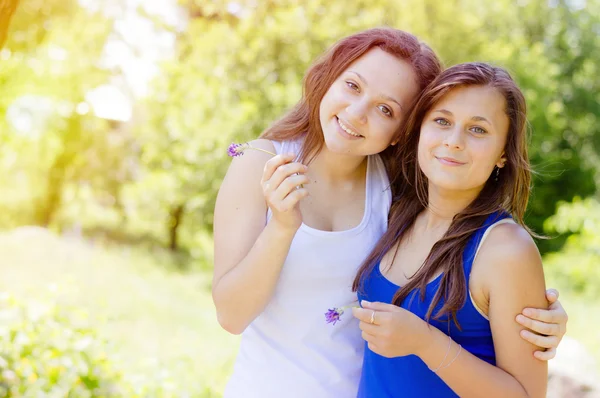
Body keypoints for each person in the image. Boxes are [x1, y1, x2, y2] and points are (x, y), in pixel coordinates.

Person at [213, 29, 567, 398]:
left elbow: (477, 269)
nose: (357, 113)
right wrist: (283, 226)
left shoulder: (395, 191)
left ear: (403, 131)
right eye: (352, 85)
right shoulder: (262, 164)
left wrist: (538, 319)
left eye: (386, 109)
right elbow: (231, 316)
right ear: (328, 78)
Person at [352, 63, 552, 397]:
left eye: (478, 130)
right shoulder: (393, 211)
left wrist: (425, 342)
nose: (454, 141)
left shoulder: (506, 250)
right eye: (442, 121)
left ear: (503, 152)